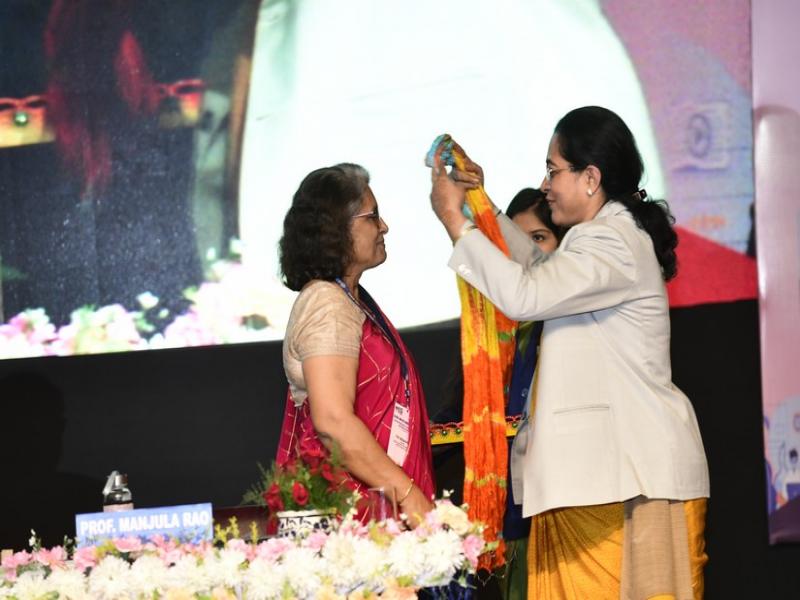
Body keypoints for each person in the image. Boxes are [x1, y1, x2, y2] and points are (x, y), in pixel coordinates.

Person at [429, 106, 710, 598]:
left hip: (629, 484)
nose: (545, 185)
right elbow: (539, 273)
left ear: (591, 178)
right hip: (605, 482)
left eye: (554, 170)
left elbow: (525, 295)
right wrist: (481, 207)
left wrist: (456, 221)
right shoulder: (604, 238)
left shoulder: (610, 240)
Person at [276, 163, 435, 526]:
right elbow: (333, 421)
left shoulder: (349, 299)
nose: (384, 226)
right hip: (350, 522)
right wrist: (407, 495)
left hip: (371, 508)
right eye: (372, 216)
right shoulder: (327, 303)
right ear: (337, 228)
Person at [500, 189, 564, 600]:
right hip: (509, 520)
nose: (524, 255)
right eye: (513, 243)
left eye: (538, 238)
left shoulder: (572, 323)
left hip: (563, 512)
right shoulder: (493, 334)